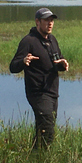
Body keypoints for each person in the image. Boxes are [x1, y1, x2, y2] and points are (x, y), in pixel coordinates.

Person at [10, 8, 69, 150]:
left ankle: (34, 158)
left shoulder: (52, 40)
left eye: (52, 20)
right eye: (46, 20)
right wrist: (23, 61)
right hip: (38, 93)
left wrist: (62, 65)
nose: (50, 23)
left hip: (53, 92)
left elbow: (56, 62)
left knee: (44, 129)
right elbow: (13, 67)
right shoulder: (28, 41)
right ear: (38, 22)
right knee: (48, 130)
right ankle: (41, 158)